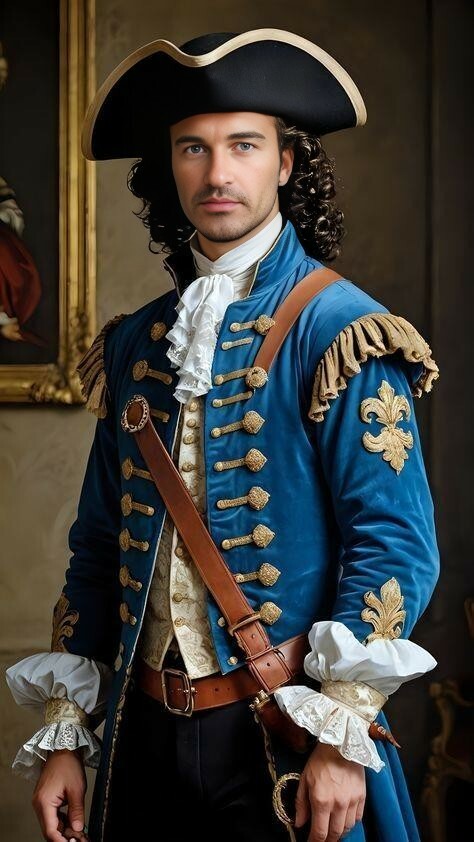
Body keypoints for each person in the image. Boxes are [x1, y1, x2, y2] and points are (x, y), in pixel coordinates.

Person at [5, 28, 440, 842]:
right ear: (170, 168)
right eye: (192, 149)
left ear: (286, 162)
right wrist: (68, 731)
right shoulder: (136, 344)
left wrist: (341, 737)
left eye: (244, 145)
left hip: (284, 738)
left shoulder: (342, 332)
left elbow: (394, 546)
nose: (217, 174)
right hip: (143, 741)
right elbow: (98, 547)